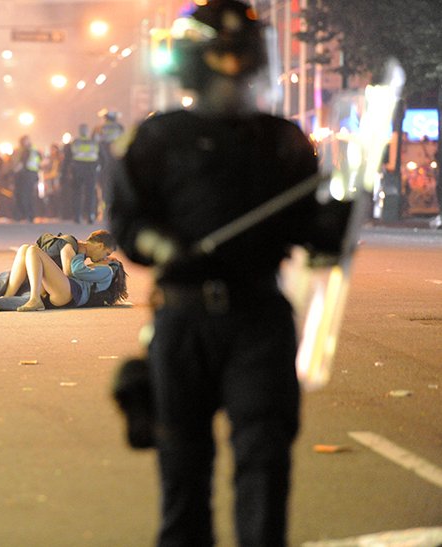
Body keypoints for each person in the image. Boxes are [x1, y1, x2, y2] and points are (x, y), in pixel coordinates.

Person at [108, 2, 352, 545]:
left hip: (258, 319)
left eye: (241, 56)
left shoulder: (283, 142)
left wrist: (334, 223)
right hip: (183, 320)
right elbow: (127, 223)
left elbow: (311, 235)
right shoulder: (156, 140)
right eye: (221, 56)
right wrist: (163, 245)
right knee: (183, 471)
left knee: (264, 464)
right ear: (197, 62)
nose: (232, 72)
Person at [0, 229, 116, 313]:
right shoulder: (72, 246)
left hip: (36, 278)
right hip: (35, 277)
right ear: (99, 245)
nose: (104, 257)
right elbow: (68, 273)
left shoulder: (72, 246)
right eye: (106, 252)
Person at [0, 243, 127, 312]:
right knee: (25, 249)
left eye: (109, 256)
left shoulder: (108, 270)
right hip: (66, 290)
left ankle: (34, 298)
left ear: (114, 263)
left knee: (34, 251)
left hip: (71, 292)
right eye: (107, 254)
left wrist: (81, 252)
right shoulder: (100, 270)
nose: (106, 257)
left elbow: (76, 271)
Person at [67, 124, 101, 223]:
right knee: (90, 194)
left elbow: (68, 157)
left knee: (77, 193)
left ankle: (77, 216)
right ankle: (90, 215)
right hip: (91, 169)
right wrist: (99, 167)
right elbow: (103, 157)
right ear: (87, 131)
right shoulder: (94, 142)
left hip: (77, 169)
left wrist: (65, 171)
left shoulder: (75, 142)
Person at [95, 110, 124, 220]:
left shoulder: (99, 128)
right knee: (116, 186)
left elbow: (96, 145)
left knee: (103, 187)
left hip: (103, 163)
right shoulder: (119, 128)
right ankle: (115, 211)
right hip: (117, 162)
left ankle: (105, 211)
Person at [12, 135, 41, 223]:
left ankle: (26, 214)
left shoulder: (26, 150)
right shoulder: (35, 150)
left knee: (24, 195)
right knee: (30, 195)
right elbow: (40, 161)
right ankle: (30, 215)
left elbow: (22, 163)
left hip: (26, 174)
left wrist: (13, 171)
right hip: (33, 173)